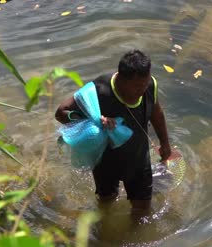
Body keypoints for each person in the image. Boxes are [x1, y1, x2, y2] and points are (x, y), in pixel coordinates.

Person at [55, 50, 171, 212]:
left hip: (138, 159)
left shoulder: (150, 85)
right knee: (106, 204)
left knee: (143, 209)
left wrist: (165, 143)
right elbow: (61, 112)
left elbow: (157, 113)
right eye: (137, 86)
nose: (143, 90)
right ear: (122, 80)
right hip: (106, 162)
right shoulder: (100, 91)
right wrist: (95, 120)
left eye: (145, 84)